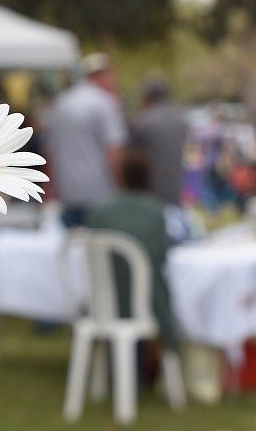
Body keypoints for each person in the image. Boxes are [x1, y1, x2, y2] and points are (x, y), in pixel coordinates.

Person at [86, 148, 180, 358]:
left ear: (120, 175)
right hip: (148, 303)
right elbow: (161, 258)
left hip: (106, 303)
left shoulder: (101, 211)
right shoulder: (156, 212)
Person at [45, 53, 128, 227]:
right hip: (100, 194)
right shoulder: (104, 102)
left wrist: (49, 191)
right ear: (102, 75)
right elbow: (114, 153)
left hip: (68, 193)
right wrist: (122, 189)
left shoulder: (61, 103)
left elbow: (50, 152)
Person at [132, 78, 188, 206]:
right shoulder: (180, 119)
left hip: (150, 193)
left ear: (146, 97)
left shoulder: (143, 122)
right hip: (176, 189)